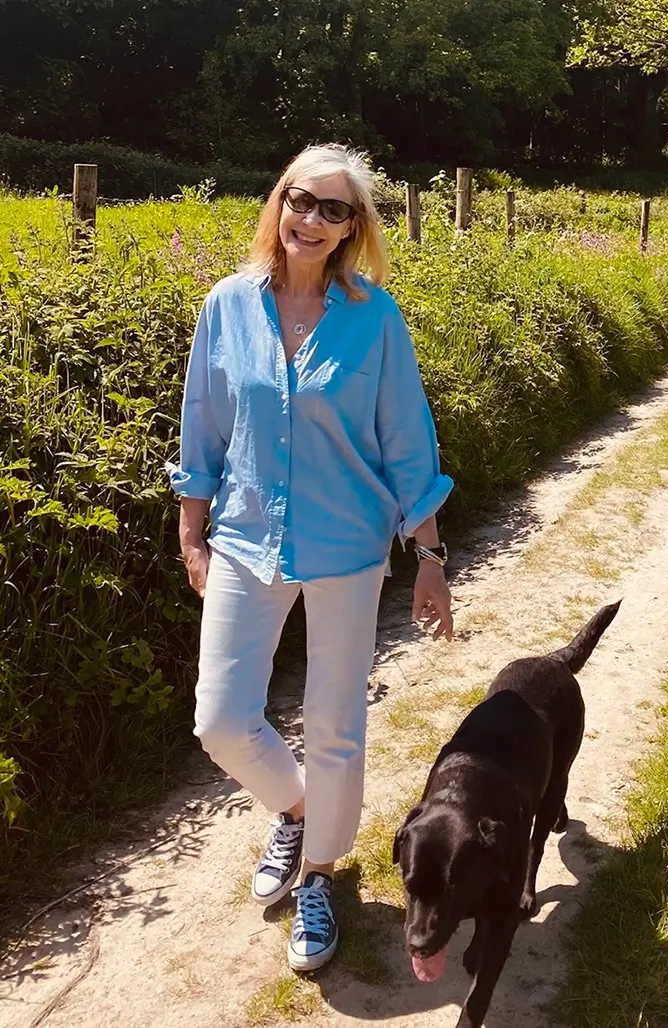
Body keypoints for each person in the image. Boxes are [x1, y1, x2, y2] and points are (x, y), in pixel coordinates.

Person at [166, 143, 454, 973]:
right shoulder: (226, 306)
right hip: (246, 537)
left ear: (354, 227)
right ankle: (298, 812)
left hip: (346, 546)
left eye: (335, 210)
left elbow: (407, 440)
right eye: (302, 201)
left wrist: (429, 555)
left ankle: (321, 872)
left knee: (335, 724)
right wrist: (192, 534)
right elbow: (204, 429)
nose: (313, 220)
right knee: (219, 719)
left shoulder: (375, 316)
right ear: (278, 202)